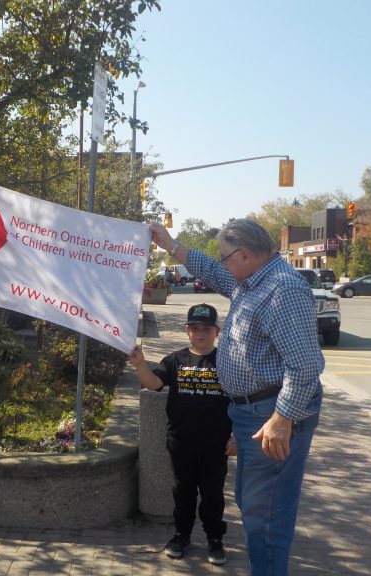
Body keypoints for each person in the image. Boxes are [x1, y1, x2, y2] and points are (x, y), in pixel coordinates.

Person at [149, 219, 325, 576]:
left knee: (266, 511)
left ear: (245, 254)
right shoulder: (252, 281)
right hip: (252, 411)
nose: (223, 265)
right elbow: (212, 271)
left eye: (227, 257)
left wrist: (282, 419)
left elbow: (305, 366)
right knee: (253, 502)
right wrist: (170, 244)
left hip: (270, 415)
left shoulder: (282, 289)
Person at [129, 303, 234, 566]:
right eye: (195, 328)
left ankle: (214, 539)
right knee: (183, 491)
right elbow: (153, 384)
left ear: (216, 331)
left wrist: (238, 437)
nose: (200, 333)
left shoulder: (228, 363)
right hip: (181, 441)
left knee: (212, 494)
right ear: (187, 330)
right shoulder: (174, 360)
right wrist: (140, 365)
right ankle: (181, 534)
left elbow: (241, 403)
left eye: (206, 328)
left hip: (216, 444)